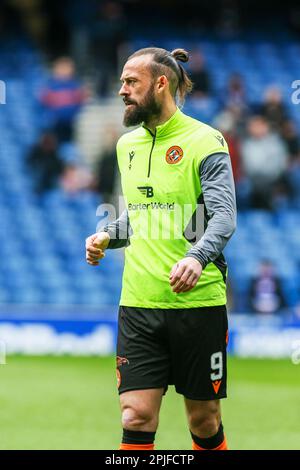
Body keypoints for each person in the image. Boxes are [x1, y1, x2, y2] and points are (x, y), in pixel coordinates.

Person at [85, 47, 236, 451]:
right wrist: (107, 234)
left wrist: (196, 257)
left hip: (197, 304)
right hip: (138, 303)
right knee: (135, 415)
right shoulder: (126, 146)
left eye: (131, 82)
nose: (122, 90)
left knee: (204, 421)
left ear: (161, 83)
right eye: (121, 82)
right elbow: (141, 215)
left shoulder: (206, 141)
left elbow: (222, 216)